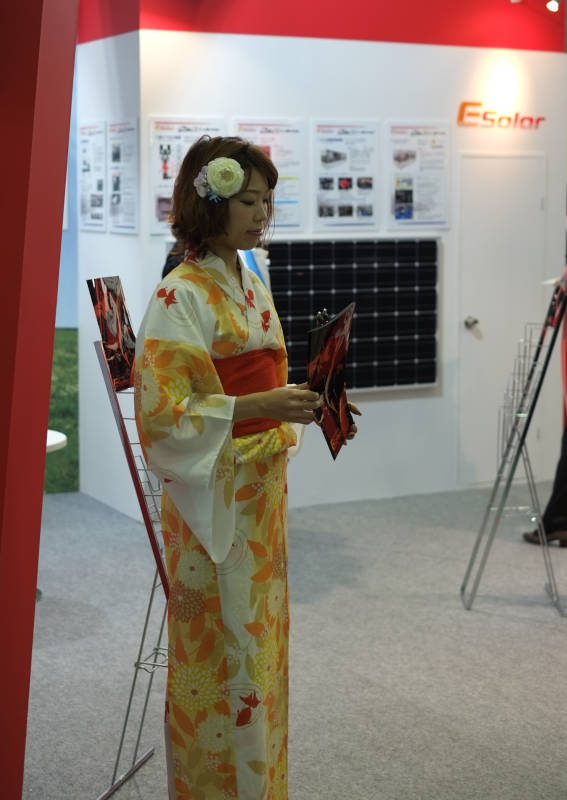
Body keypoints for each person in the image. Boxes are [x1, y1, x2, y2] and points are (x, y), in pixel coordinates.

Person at [134, 135, 359, 800]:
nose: (262, 215)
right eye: (249, 201)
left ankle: (262, 784)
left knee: (257, 645)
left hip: (259, 489)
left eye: (267, 202)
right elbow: (163, 416)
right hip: (212, 496)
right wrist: (260, 404)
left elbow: (268, 373)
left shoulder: (246, 279)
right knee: (215, 645)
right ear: (211, 203)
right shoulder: (180, 294)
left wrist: (311, 398)